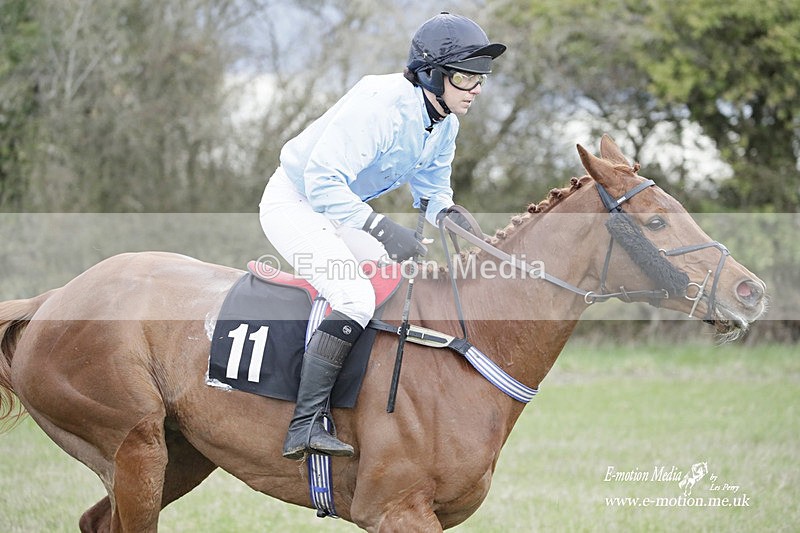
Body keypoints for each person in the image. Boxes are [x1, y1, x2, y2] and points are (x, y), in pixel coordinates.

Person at [259, 12, 506, 460]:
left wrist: (454, 219)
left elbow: (433, 193)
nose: (477, 89)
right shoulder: (381, 104)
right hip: (295, 202)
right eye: (468, 77)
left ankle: (359, 402)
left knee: (391, 282)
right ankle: (304, 423)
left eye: (480, 78)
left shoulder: (444, 123)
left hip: (340, 212)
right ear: (433, 74)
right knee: (353, 297)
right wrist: (380, 227)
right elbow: (322, 183)